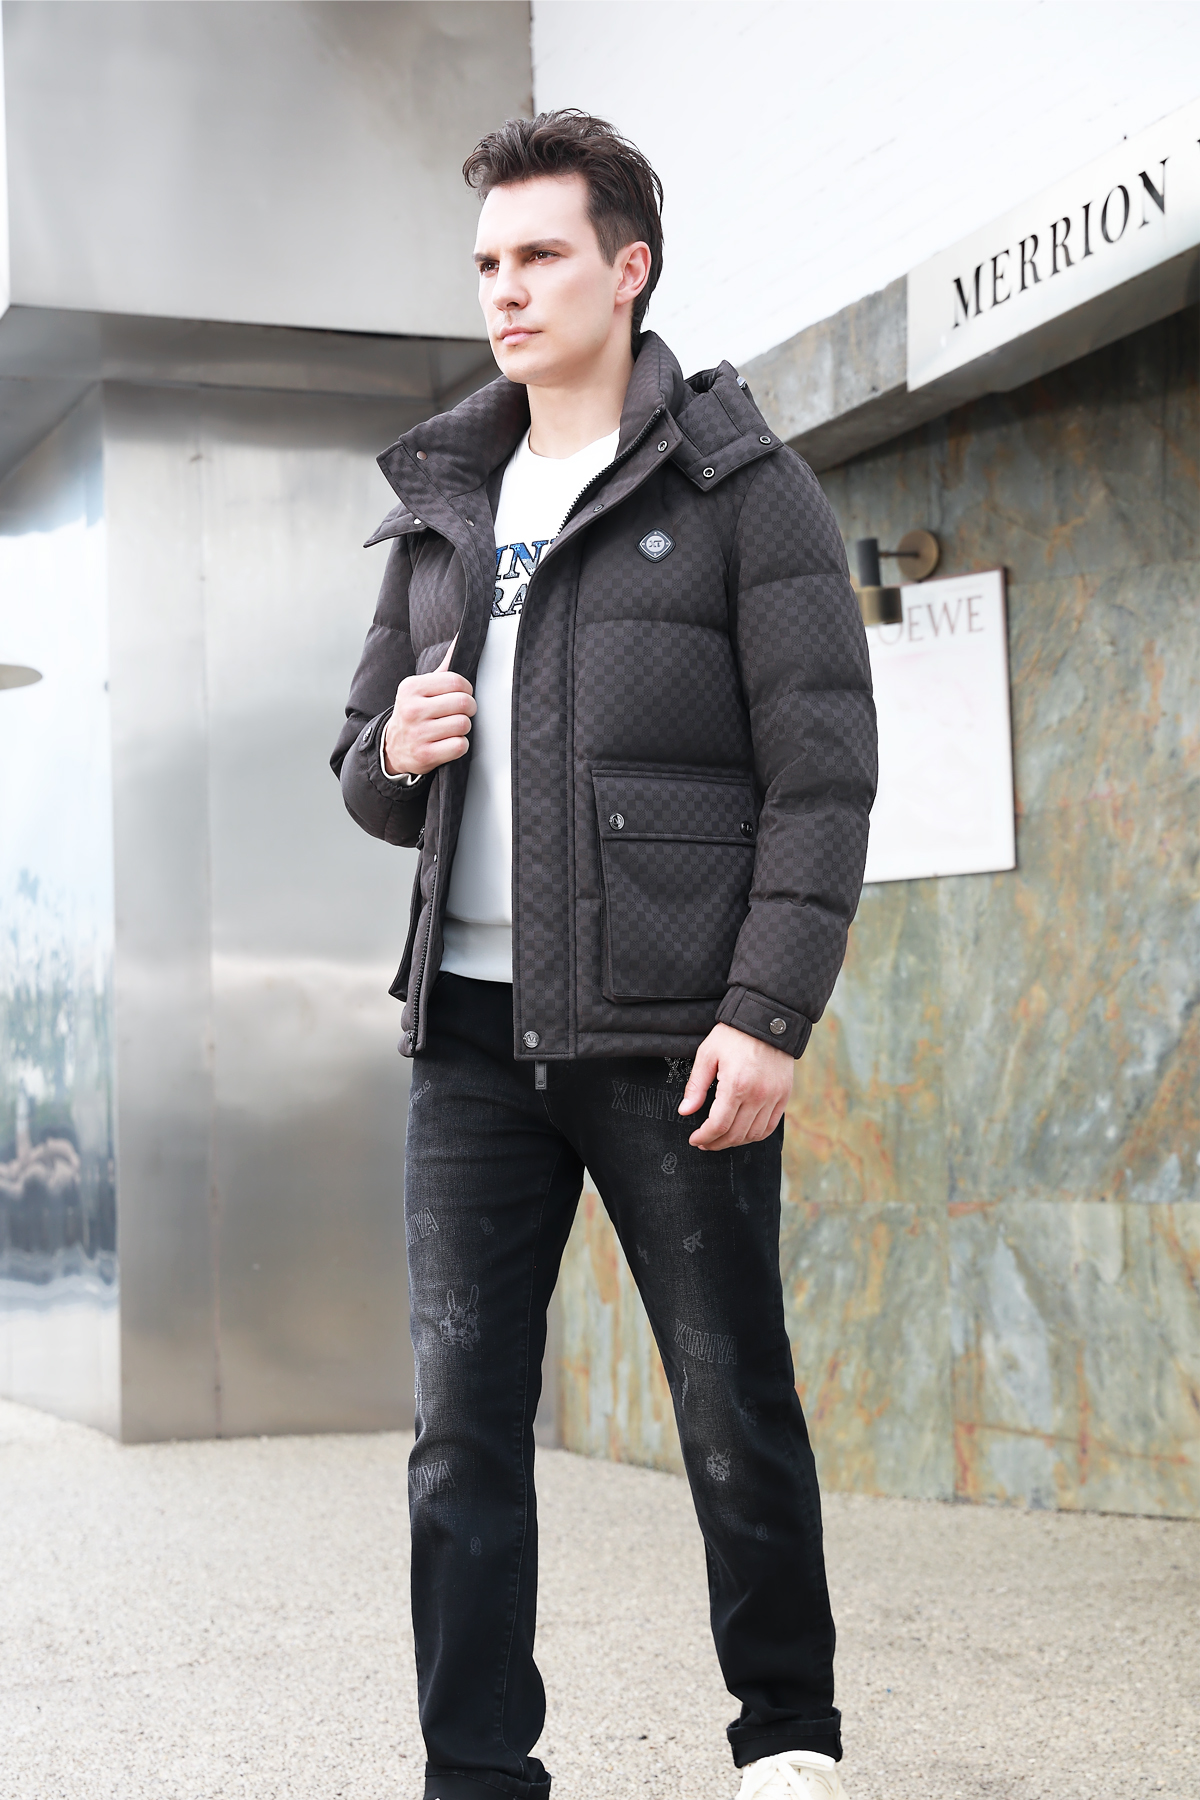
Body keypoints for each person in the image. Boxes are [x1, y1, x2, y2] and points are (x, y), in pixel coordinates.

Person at [331, 110, 876, 1800]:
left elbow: (821, 771)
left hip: (668, 1034)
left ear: (628, 268)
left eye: (540, 255)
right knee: (460, 1434)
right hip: (469, 1038)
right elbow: (359, 768)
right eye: (487, 262)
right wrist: (396, 752)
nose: (505, 290)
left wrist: (768, 1013)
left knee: (729, 1401)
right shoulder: (443, 504)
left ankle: (787, 1736)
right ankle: (478, 1769)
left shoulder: (739, 486)